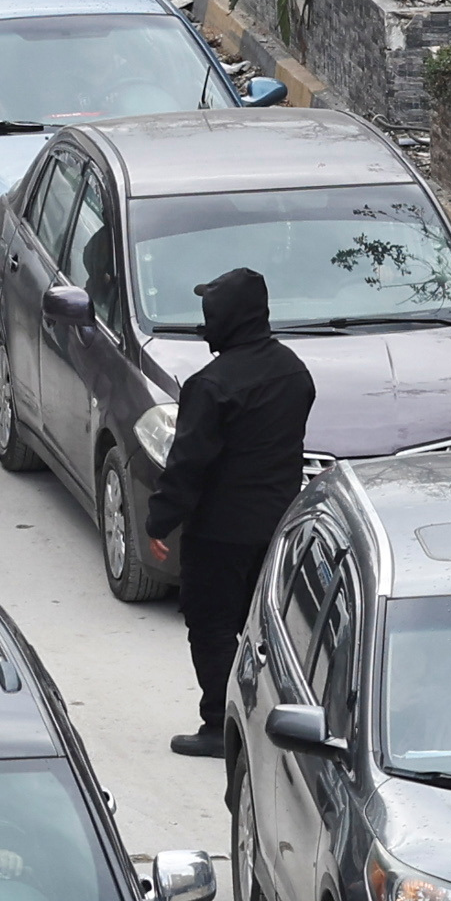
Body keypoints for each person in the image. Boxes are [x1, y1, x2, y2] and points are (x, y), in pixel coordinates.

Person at [148, 264, 314, 755]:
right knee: (264, 629)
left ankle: (220, 726)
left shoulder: (211, 385)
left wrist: (161, 520)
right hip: (277, 528)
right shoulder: (293, 372)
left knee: (213, 625)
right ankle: (278, 719)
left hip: (218, 534)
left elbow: (188, 463)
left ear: (227, 320)